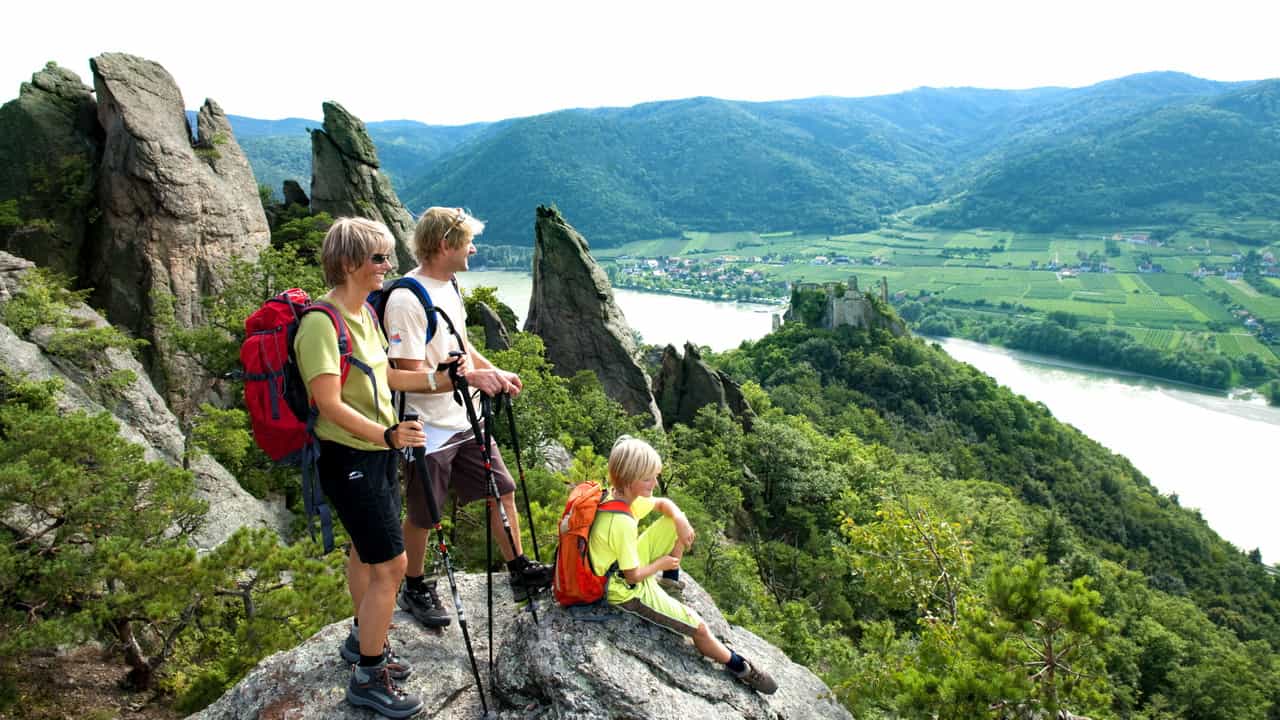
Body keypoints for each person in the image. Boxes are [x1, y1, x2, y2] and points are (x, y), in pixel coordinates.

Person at [295, 217, 438, 719]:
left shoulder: (367, 316)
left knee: (364, 550)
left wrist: (443, 379)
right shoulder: (321, 323)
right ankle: (368, 677)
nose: (387, 267)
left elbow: (389, 374)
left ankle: (363, 639)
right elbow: (328, 402)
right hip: (349, 456)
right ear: (351, 262)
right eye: (379, 258)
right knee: (393, 565)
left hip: (376, 454)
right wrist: (386, 434)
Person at [383, 206, 552, 629]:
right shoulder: (407, 299)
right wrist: (466, 378)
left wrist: (489, 370)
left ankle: (519, 571)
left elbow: (460, 346)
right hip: (429, 429)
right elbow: (402, 376)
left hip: (465, 417)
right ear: (444, 245)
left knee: (503, 491)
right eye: (467, 242)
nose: (473, 249)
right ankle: (415, 585)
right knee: (424, 514)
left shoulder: (449, 284)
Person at [589, 435, 778, 695]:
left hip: (619, 565)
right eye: (648, 479)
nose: (655, 483)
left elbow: (663, 504)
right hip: (624, 589)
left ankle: (670, 578)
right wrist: (661, 562)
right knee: (699, 628)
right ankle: (741, 667)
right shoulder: (621, 522)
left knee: (674, 520)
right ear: (629, 479)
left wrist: (678, 517)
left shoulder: (618, 496)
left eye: (655, 476)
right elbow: (633, 576)